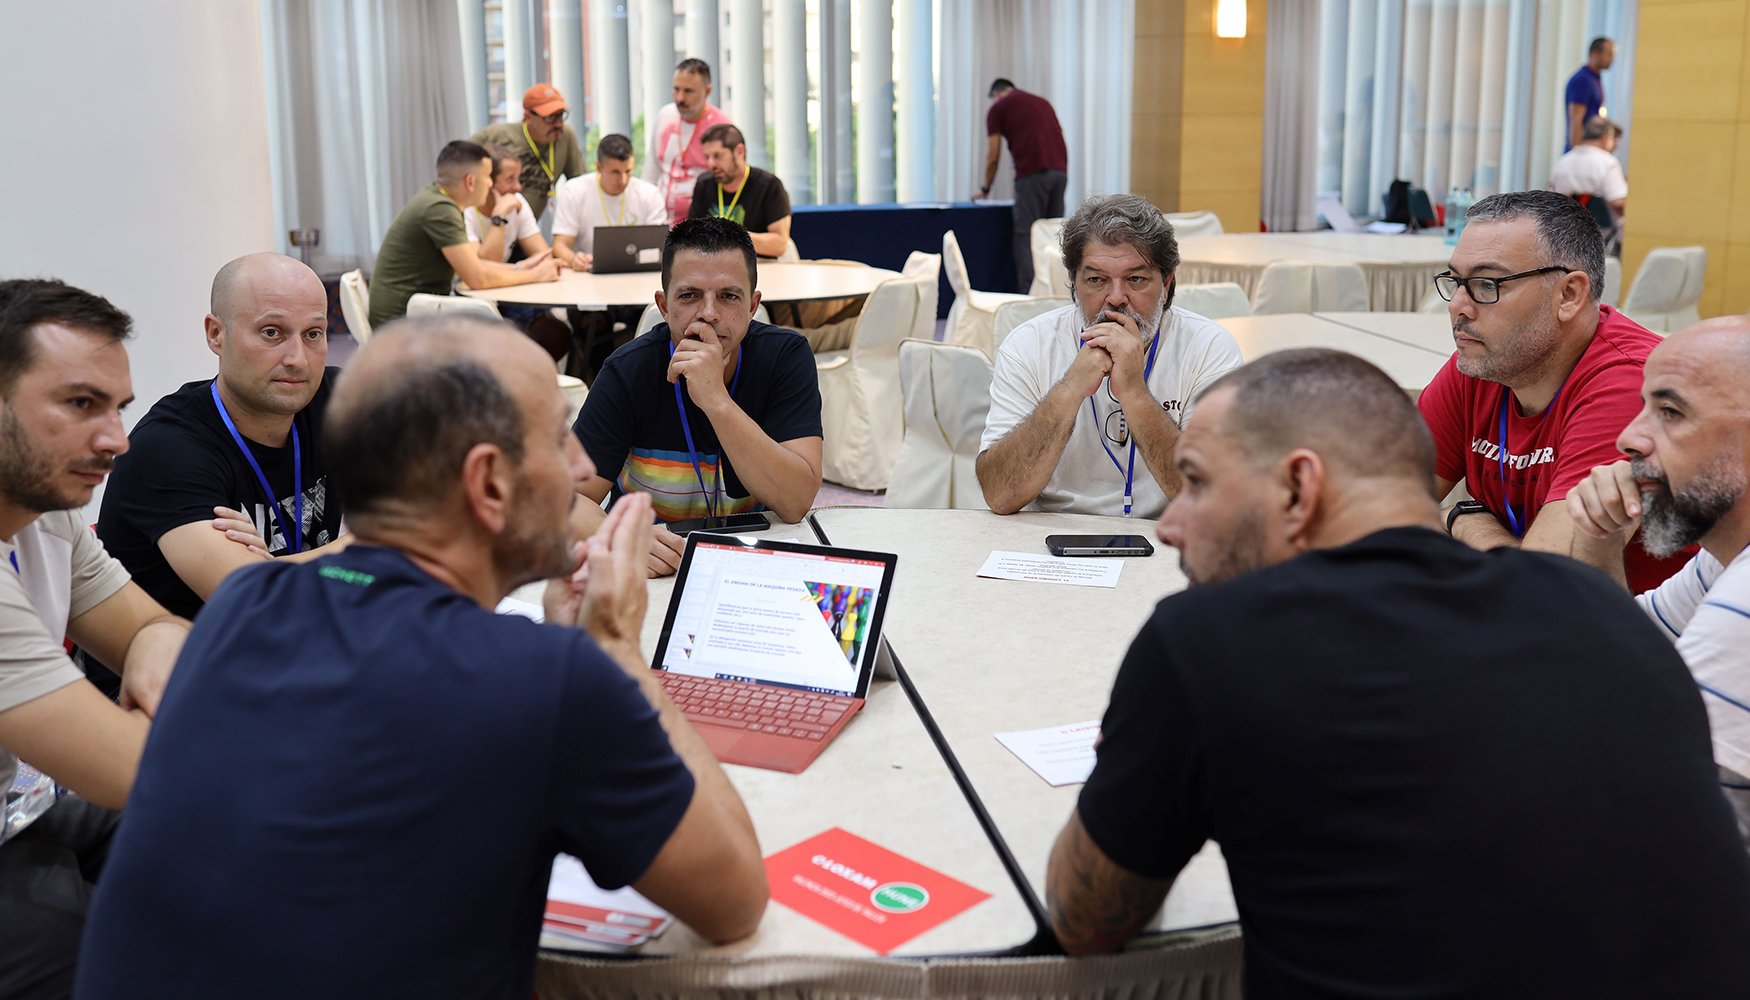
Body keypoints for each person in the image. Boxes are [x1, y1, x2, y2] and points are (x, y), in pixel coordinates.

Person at [75, 315, 768, 1000]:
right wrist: (617, 652)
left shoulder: (241, 607)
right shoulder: (549, 680)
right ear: (489, 483)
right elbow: (734, 901)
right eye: (560, 438)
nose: (585, 467)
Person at [1046, 347, 1750, 996]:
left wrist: (1141, 755)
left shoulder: (1205, 641)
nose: (1171, 524)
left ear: (1298, 486)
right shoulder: (1597, 604)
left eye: (1196, 483)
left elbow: (1087, 923)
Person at [0, 279, 189, 1000]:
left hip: (26, 806)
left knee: (243, 844)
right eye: (82, 404)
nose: (118, 440)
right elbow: (133, 772)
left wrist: (156, 656)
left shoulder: (47, 508)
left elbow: (152, 625)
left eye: (118, 408)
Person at [1417, 189, 1683, 592]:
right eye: (1455, 281)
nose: (1458, 305)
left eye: (1486, 284)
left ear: (1569, 295)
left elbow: (1544, 592)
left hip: (1636, 637)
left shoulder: (1632, 384)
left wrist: (1466, 520)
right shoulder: (1482, 364)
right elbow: (1376, 515)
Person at [1566, 316, 1750, 842]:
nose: (1629, 438)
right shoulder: (1725, 558)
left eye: (1670, 412)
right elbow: (1620, 661)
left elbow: (1645, 827)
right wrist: (1601, 540)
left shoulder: (1743, 604)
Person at [96, 253, 351, 621]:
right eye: (272, 333)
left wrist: (274, 571)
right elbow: (254, 601)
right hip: (183, 662)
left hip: (300, 636)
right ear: (216, 334)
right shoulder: (167, 449)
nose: (298, 358)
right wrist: (374, 542)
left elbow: (443, 498)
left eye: (313, 334)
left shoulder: (339, 399)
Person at [570, 217, 822, 578]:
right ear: (664, 305)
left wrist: (716, 400)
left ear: (752, 307)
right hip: (654, 567)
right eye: (689, 296)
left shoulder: (785, 358)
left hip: (752, 560)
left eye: (728, 296)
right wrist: (620, 538)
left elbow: (796, 502)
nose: (708, 313)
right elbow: (566, 500)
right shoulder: (628, 371)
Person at [977, 194, 1242, 518]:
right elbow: (999, 495)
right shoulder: (1029, 345)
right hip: (1053, 540)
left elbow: (1208, 500)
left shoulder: (1209, 348)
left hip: (1167, 538)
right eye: (1096, 280)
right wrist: (1070, 388)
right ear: (1074, 284)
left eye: (1136, 279)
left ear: (1167, 283)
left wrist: (1134, 393)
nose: (1116, 299)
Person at [365, 140, 558, 332]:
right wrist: (536, 275)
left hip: (409, 315)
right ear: (470, 182)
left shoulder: (437, 199)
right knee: (503, 334)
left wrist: (518, 267)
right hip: (400, 325)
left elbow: (473, 262)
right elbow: (478, 279)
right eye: (488, 177)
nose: (490, 184)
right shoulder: (440, 210)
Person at [981, 79, 1068, 293]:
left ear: (997, 94)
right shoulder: (1042, 102)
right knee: (1053, 232)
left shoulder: (998, 107)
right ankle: (1058, 290)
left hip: (1032, 174)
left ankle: (1029, 295)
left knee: (1027, 234)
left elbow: (993, 155)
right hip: (1060, 172)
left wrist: (985, 188)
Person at [468, 83, 588, 219]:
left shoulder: (565, 136)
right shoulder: (498, 135)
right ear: (528, 117)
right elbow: (457, 162)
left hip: (526, 225)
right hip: (491, 222)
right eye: (550, 118)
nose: (558, 124)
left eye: (560, 116)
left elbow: (579, 186)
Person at [552, 132, 667, 270]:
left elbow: (659, 247)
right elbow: (560, 245)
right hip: (589, 271)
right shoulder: (574, 191)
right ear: (599, 167)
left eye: (628, 171)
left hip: (638, 272)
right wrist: (574, 259)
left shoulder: (650, 194)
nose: (623, 180)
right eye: (615, 172)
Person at [687, 124, 792, 259]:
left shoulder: (769, 186)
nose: (711, 164)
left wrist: (731, 237)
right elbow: (690, 237)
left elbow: (779, 244)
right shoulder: (704, 184)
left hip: (759, 267)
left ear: (740, 152)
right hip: (712, 268)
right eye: (707, 157)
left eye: (718, 155)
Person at [650, 58, 733, 225]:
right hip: (662, 222)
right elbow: (651, 167)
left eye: (688, 91)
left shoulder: (722, 126)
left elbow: (731, 179)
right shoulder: (665, 116)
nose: (680, 98)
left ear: (707, 92)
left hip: (702, 226)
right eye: (676, 89)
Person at [464, 145, 548, 265]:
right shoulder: (466, 210)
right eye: (510, 179)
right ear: (488, 181)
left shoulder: (517, 201)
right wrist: (499, 214)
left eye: (518, 179)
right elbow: (483, 270)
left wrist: (520, 267)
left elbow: (545, 256)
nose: (518, 187)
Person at [1550, 115, 1627, 237]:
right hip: (1600, 237)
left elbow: (1552, 197)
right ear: (1605, 138)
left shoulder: (1563, 161)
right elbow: (1617, 203)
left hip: (1564, 232)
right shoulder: (1608, 163)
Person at [1566, 36, 1615, 151]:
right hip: (1582, 149)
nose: (1612, 59)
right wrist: (1577, 153)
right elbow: (1576, 119)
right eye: (1609, 55)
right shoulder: (1583, 80)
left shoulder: (1594, 79)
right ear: (1595, 54)